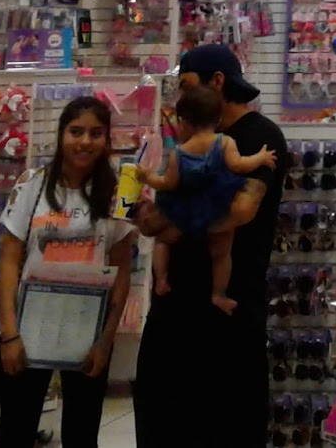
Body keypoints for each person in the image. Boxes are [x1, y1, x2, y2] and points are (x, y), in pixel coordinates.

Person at [133, 45, 289, 448]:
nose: (180, 99)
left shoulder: (258, 136)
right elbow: (161, 213)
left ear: (217, 82)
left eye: (187, 85)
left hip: (228, 314)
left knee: (225, 425)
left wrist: (175, 223)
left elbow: (242, 210)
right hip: (175, 306)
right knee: (163, 420)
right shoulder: (195, 142)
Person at [0, 97, 136, 448]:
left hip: (88, 332)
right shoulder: (32, 184)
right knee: (15, 433)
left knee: (81, 436)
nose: (85, 142)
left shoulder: (119, 192)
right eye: (76, 132)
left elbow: (121, 272)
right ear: (61, 135)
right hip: (29, 329)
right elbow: (9, 261)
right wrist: (9, 334)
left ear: (106, 139)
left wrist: (105, 341)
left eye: (95, 133)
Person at [134, 84, 277, 314]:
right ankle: (218, 294)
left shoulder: (179, 153)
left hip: (186, 209)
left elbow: (169, 183)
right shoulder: (225, 142)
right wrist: (260, 158)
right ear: (218, 119)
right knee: (221, 255)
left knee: (163, 241)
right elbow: (239, 165)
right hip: (219, 206)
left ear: (184, 122)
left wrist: (147, 177)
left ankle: (161, 279)